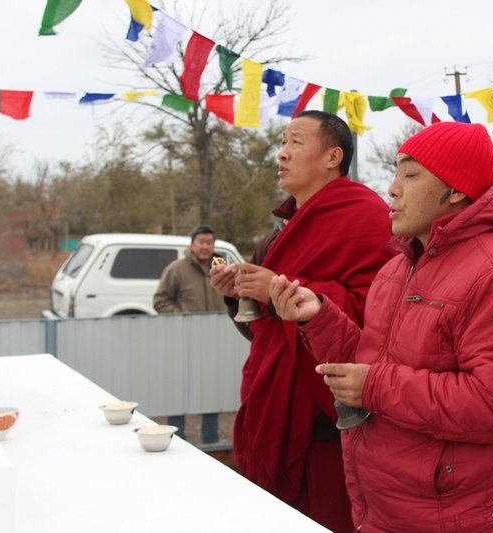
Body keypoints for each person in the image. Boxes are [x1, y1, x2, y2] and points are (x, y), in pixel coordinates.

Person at [270, 121, 493, 532]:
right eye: (395, 173)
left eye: (411, 175)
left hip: (454, 517)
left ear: (455, 190)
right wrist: (317, 317)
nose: (392, 189)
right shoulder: (398, 267)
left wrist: (374, 386)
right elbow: (370, 364)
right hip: (384, 506)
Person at [210, 110, 396, 533]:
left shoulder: (368, 217)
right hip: (274, 402)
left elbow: (381, 319)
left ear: (333, 157)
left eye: (295, 142)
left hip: (328, 423)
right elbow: (263, 334)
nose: (282, 154)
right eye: (282, 143)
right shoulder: (277, 235)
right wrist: (237, 295)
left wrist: (285, 291)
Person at [153, 224, 226, 444]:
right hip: (183, 342)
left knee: (211, 389)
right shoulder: (176, 269)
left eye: (209, 242)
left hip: (213, 341)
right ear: (192, 244)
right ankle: (176, 438)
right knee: (179, 388)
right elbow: (160, 300)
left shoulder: (222, 268)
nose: (205, 246)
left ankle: (211, 439)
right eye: (201, 242)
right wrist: (182, 317)